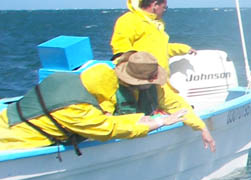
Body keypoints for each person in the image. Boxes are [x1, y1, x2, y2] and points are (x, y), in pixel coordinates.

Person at [0, 62, 182, 152]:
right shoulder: (77, 108)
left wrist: (140, 118)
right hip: (15, 141)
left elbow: (101, 118)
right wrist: (157, 123)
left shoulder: (63, 78)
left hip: (6, 120)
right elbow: (107, 128)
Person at [114, 51, 216, 152]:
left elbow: (177, 106)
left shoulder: (157, 88)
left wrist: (202, 128)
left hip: (142, 134)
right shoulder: (110, 86)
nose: (153, 82)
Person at [110, 0, 195, 71]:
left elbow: (161, 49)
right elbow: (121, 49)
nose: (164, 11)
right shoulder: (129, 20)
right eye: (164, 7)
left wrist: (184, 49)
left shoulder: (155, 24)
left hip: (158, 79)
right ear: (155, 5)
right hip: (140, 79)